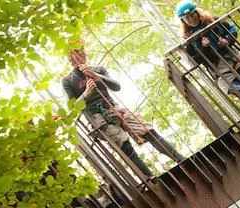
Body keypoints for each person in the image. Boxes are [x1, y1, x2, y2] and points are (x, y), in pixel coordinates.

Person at [62, 44, 187, 180]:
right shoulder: (68, 81)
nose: (80, 57)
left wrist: (98, 76)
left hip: (113, 108)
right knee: (124, 144)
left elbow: (116, 86)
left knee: (147, 130)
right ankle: (149, 177)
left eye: (81, 53)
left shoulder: (98, 69)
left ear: (85, 54)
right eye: (76, 55)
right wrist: (86, 94)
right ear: (71, 60)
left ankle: (180, 159)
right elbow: (72, 107)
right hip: (97, 118)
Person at [175, 1, 240, 114]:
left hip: (234, 58)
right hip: (220, 71)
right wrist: (204, 48)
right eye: (187, 18)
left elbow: (232, 30)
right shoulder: (188, 40)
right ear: (183, 21)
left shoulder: (212, 20)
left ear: (197, 13)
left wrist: (227, 41)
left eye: (192, 15)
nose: (191, 19)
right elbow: (194, 61)